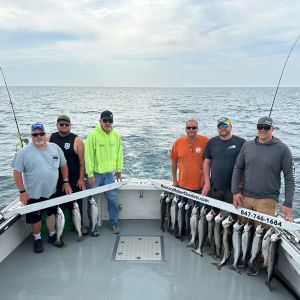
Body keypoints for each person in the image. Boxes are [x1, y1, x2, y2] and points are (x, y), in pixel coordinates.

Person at [231, 116, 295, 275]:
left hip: (267, 200)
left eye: (266, 128)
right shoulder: (247, 146)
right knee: (243, 229)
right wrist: (235, 192)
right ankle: (242, 257)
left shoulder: (283, 149)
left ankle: (256, 263)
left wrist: (288, 203)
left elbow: (289, 177)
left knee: (261, 234)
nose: (263, 130)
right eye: (260, 127)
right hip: (245, 197)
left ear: (273, 129)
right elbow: (238, 169)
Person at [12, 123, 72, 253]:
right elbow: (16, 174)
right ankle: (37, 239)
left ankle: (52, 235)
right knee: (36, 218)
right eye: (35, 134)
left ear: (46, 134)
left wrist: (66, 181)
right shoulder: (23, 152)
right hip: (33, 193)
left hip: (52, 191)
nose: (38, 136)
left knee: (51, 214)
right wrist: (22, 192)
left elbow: (64, 165)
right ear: (31, 136)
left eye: (41, 134)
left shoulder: (55, 147)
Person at [47, 115, 87, 235]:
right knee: (59, 207)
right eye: (61, 124)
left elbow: (82, 161)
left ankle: (78, 226)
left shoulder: (77, 140)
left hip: (74, 180)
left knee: (76, 206)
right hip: (56, 181)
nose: (64, 127)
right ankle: (59, 231)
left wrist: (81, 179)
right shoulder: (50, 138)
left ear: (70, 126)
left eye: (67, 125)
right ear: (57, 125)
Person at [85, 110, 123, 234]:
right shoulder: (93, 135)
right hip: (95, 175)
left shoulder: (116, 135)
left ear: (112, 122)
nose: (107, 123)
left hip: (109, 175)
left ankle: (114, 222)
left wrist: (119, 170)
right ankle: (93, 225)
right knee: (92, 201)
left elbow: (119, 153)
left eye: (109, 121)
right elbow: (88, 156)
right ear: (100, 121)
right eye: (105, 120)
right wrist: (90, 174)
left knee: (113, 199)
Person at [202, 117, 245, 207]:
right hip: (215, 187)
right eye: (220, 126)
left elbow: (246, 166)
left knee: (233, 218)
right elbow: (206, 162)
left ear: (231, 126)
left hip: (233, 190)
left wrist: (240, 188)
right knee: (212, 215)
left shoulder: (241, 142)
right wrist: (207, 183)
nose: (222, 128)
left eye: (225, 125)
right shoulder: (211, 142)